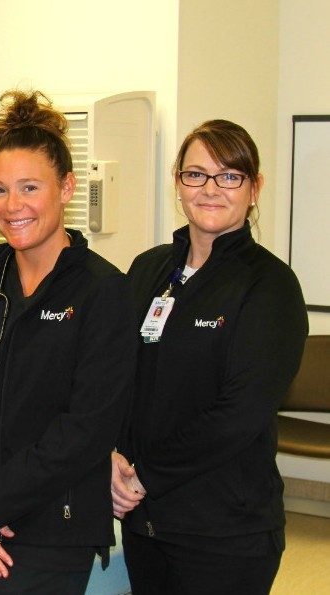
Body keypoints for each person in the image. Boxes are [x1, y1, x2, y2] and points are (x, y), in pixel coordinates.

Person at [0, 90, 135, 594]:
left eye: (28, 187)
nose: (12, 206)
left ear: (66, 188)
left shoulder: (102, 290)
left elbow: (86, 427)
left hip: (53, 524)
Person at [111, 119, 308, 595]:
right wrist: (111, 453)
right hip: (147, 524)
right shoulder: (149, 268)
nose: (211, 189)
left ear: (254, 187)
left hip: (225, 532)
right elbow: (117, 373)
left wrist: (145, 479)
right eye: (196, 174)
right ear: (178, 182)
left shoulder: (270, 286)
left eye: (229, 176)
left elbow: (240, 413)